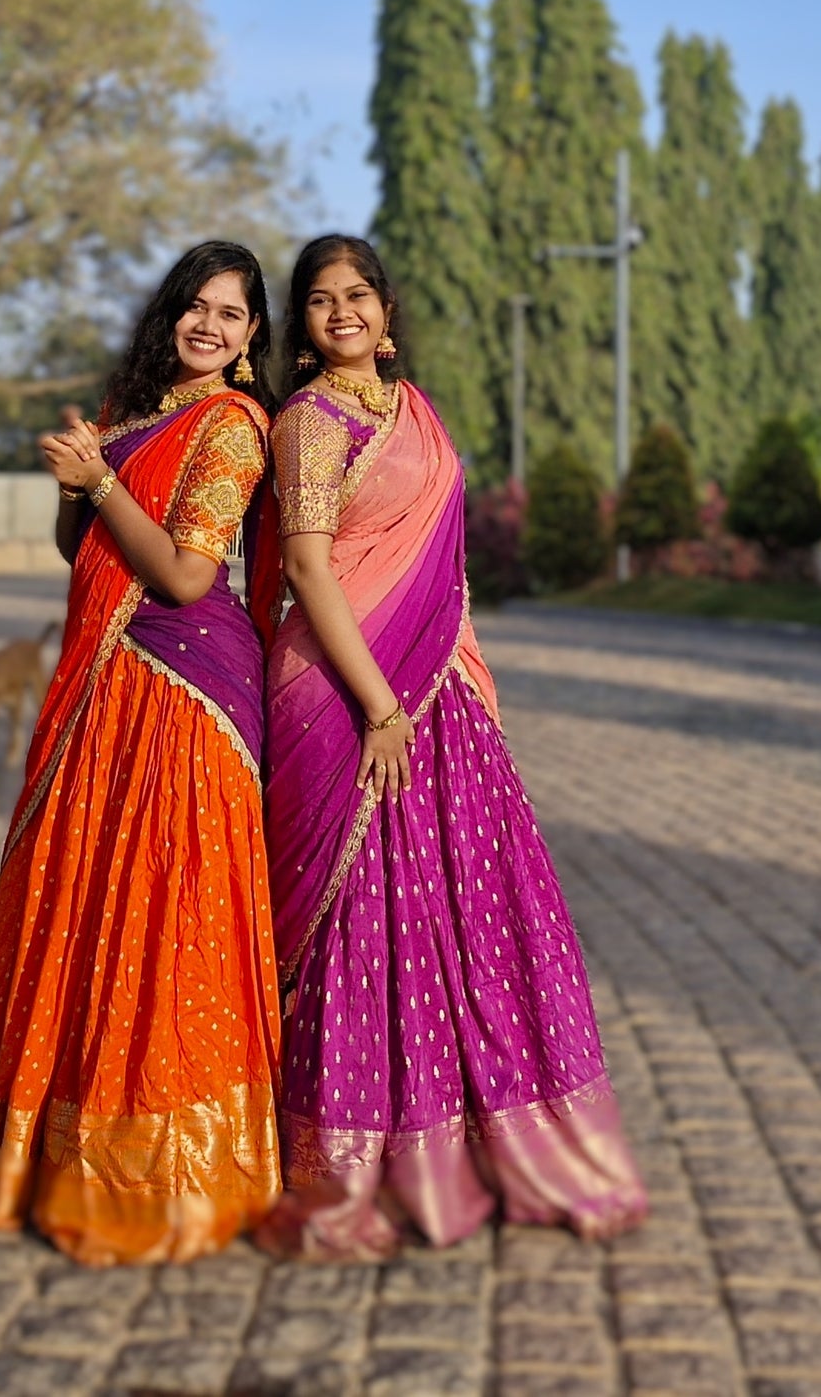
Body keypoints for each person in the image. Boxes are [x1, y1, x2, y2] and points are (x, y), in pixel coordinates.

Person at [250, 235, 647, 1259]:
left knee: (470, 906)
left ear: (385, 311)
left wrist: (466, 675)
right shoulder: (307, 421)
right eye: (321, 300)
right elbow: (306, 566)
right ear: (301, 326)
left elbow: (447, 565)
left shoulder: (412, 410)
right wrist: (382, 704)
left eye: (358, 294)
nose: (342, 311)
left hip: (437, 684)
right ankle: (348, 1163)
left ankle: (468, 1146)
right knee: (361, 913)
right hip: (342, 692)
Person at [0, 241, 283, 1266]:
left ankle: (164, 1175)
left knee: (167, 904)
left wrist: (100, 479)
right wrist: (80, 481)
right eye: (196, 306)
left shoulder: (234, 425)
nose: (209, 325)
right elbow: (87, 552)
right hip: (104, 683)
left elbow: (189, 576)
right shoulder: (131, 403)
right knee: (83, 895)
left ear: (250, 339)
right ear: (170, 312)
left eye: (232, 315)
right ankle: (52, 1147)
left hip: (186, 689)